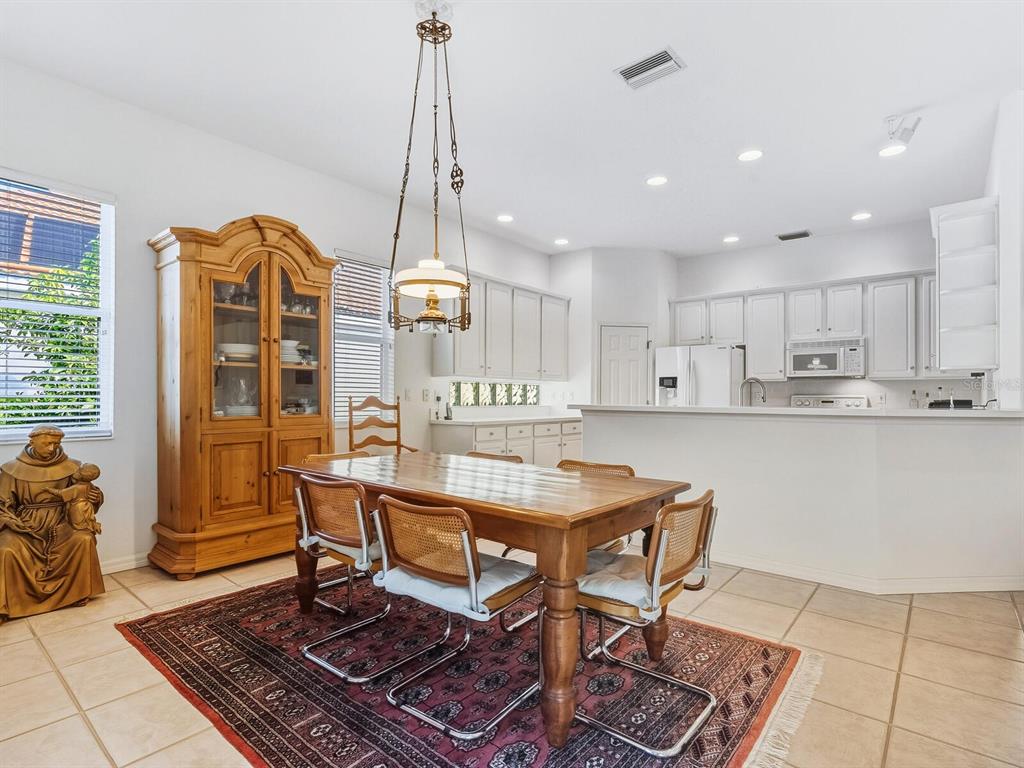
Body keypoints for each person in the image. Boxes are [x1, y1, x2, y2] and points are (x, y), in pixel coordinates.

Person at [0, 425, 104, 621]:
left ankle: (78, 592)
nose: (51, 448)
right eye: (47, 444)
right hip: (25, 524)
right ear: (32, 442)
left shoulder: (74, 467)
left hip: (62, 521)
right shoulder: (11, 470)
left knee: (82, 539)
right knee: (6, 549)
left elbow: (84, 494)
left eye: (56, 444)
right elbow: (2, 505)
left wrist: (96, 496)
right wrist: (10, 522)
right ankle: (6, 605)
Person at [42, 463, 103, 535]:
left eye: (79, 469)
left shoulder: (77, 485)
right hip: (34, 516)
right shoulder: (87, 485)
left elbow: (61, 493)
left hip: (74, 509)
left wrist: (48, 490)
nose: (76, 470)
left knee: (83, 536)